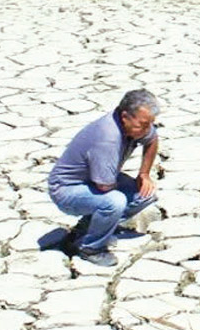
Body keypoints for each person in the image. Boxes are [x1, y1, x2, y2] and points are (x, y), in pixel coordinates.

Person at [47, 89, 161, 266]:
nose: (147, 130)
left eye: (149, 124)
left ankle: (88, 228)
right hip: (67, 189)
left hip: (95, 180)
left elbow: (152, 139)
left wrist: (144, 174)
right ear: (125, 117)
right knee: (114, 202)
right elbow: (104, 186)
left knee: (146, 194)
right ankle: (91, 247)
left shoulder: (138, 127)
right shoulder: (107, 137)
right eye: (143, 125)